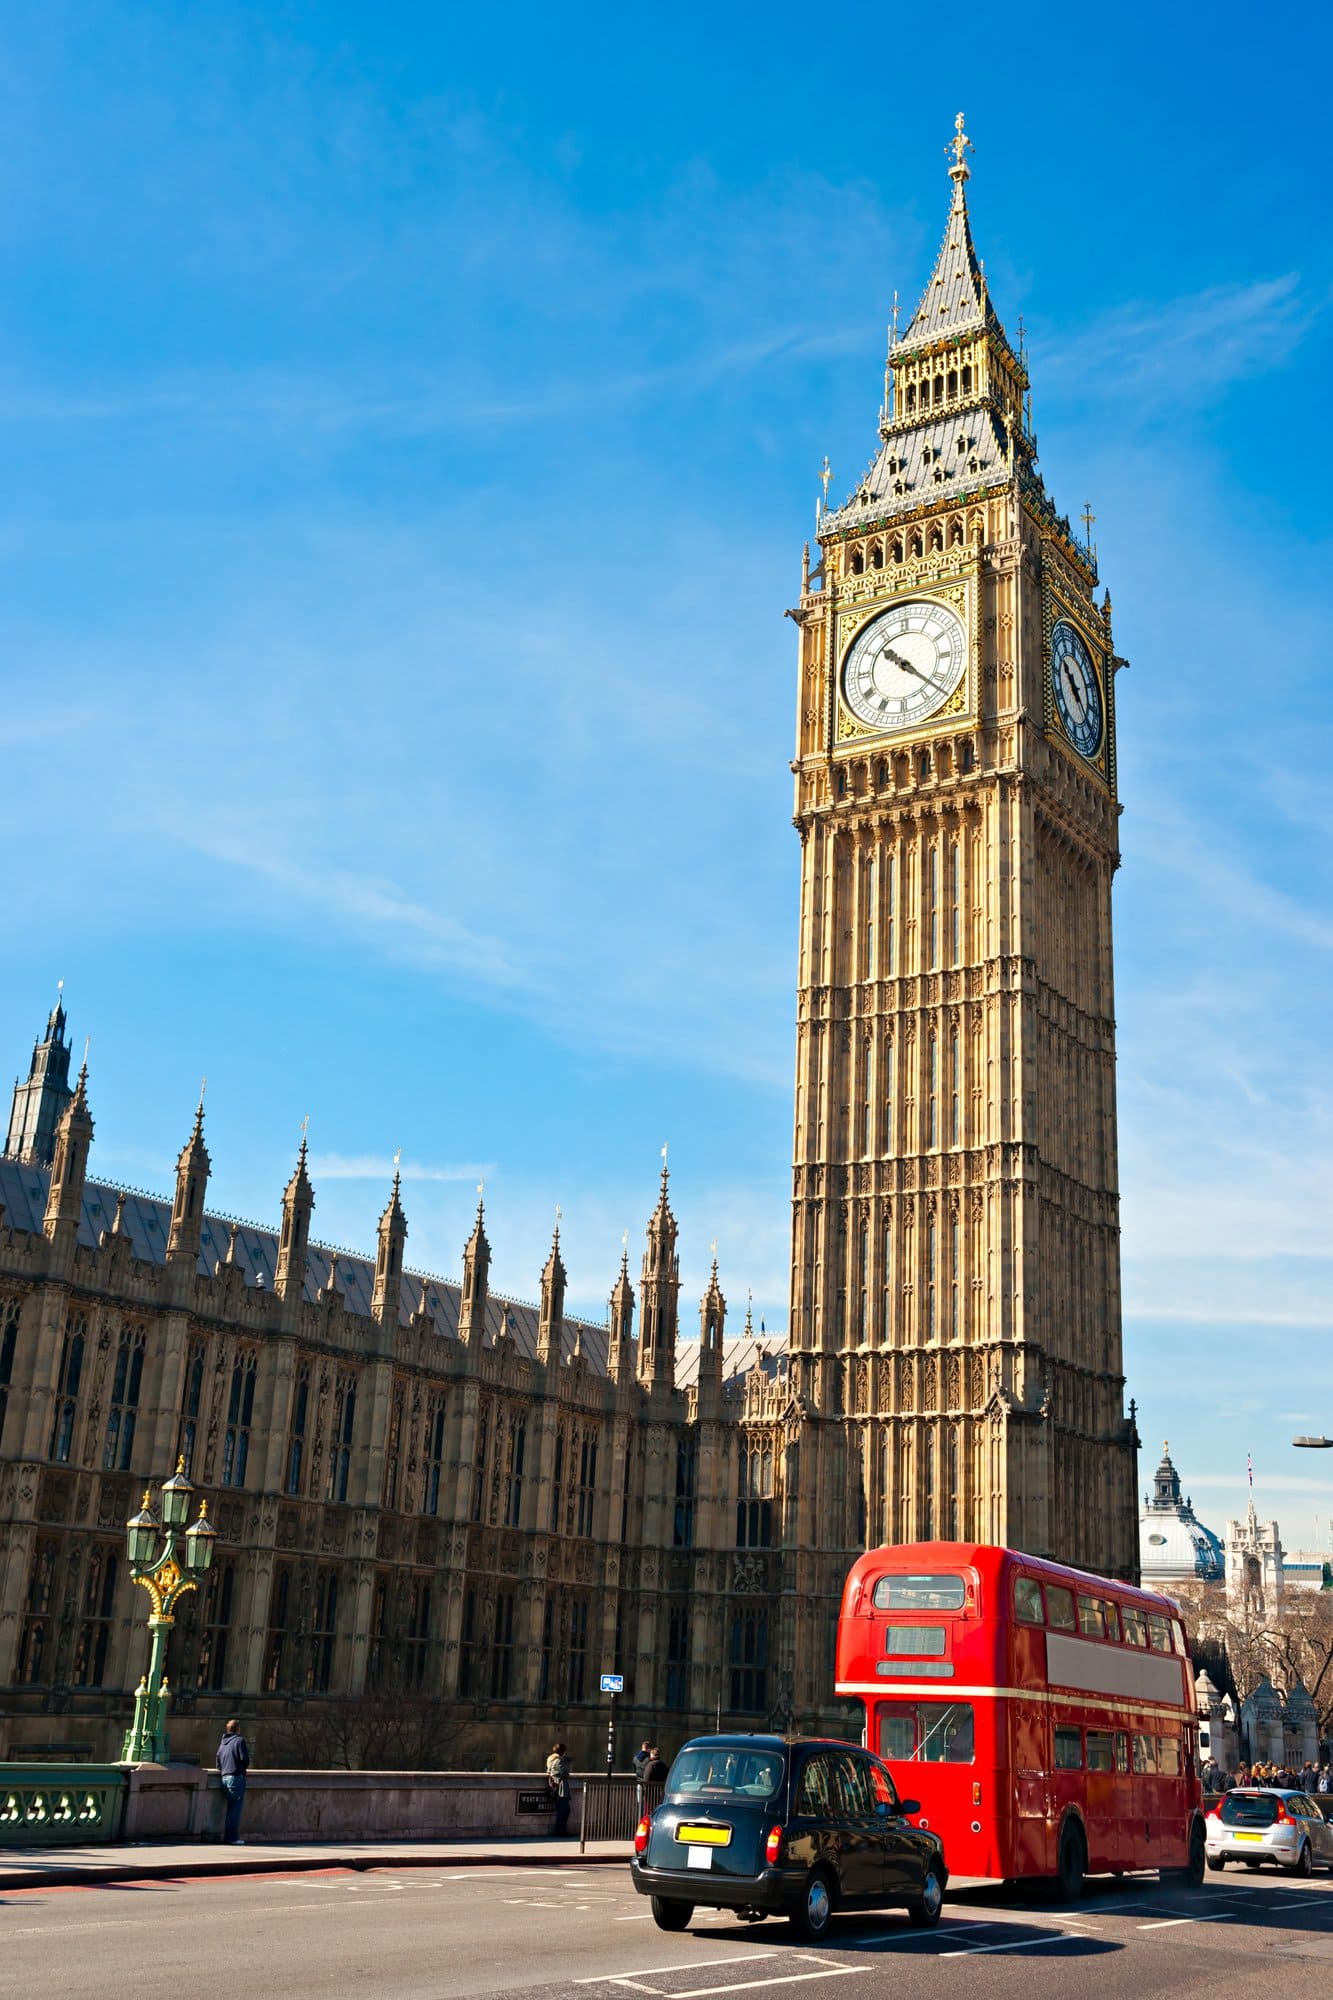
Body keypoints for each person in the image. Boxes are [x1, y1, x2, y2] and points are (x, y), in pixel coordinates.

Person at [216, 1718, 250, 1844]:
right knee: (235, 1810)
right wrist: (241, 1768)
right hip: (236, 1777)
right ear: (238, 1729)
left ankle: (228, 1836)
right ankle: (232, 1838)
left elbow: (218, 1762)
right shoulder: (239, 1741)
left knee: (231, 1809)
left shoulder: (223, 1743)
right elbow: (244, 1759)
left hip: (224, 1777)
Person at [546, 1741, 572, 1838]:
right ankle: (561, 1831)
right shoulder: (559, 1761)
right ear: (562, 1751)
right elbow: (564, 1773)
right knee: (564, 1810)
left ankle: (561, 1830)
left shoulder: (552, 1760)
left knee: (563, 1810)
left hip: (557, 1787)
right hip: (561, 1788)